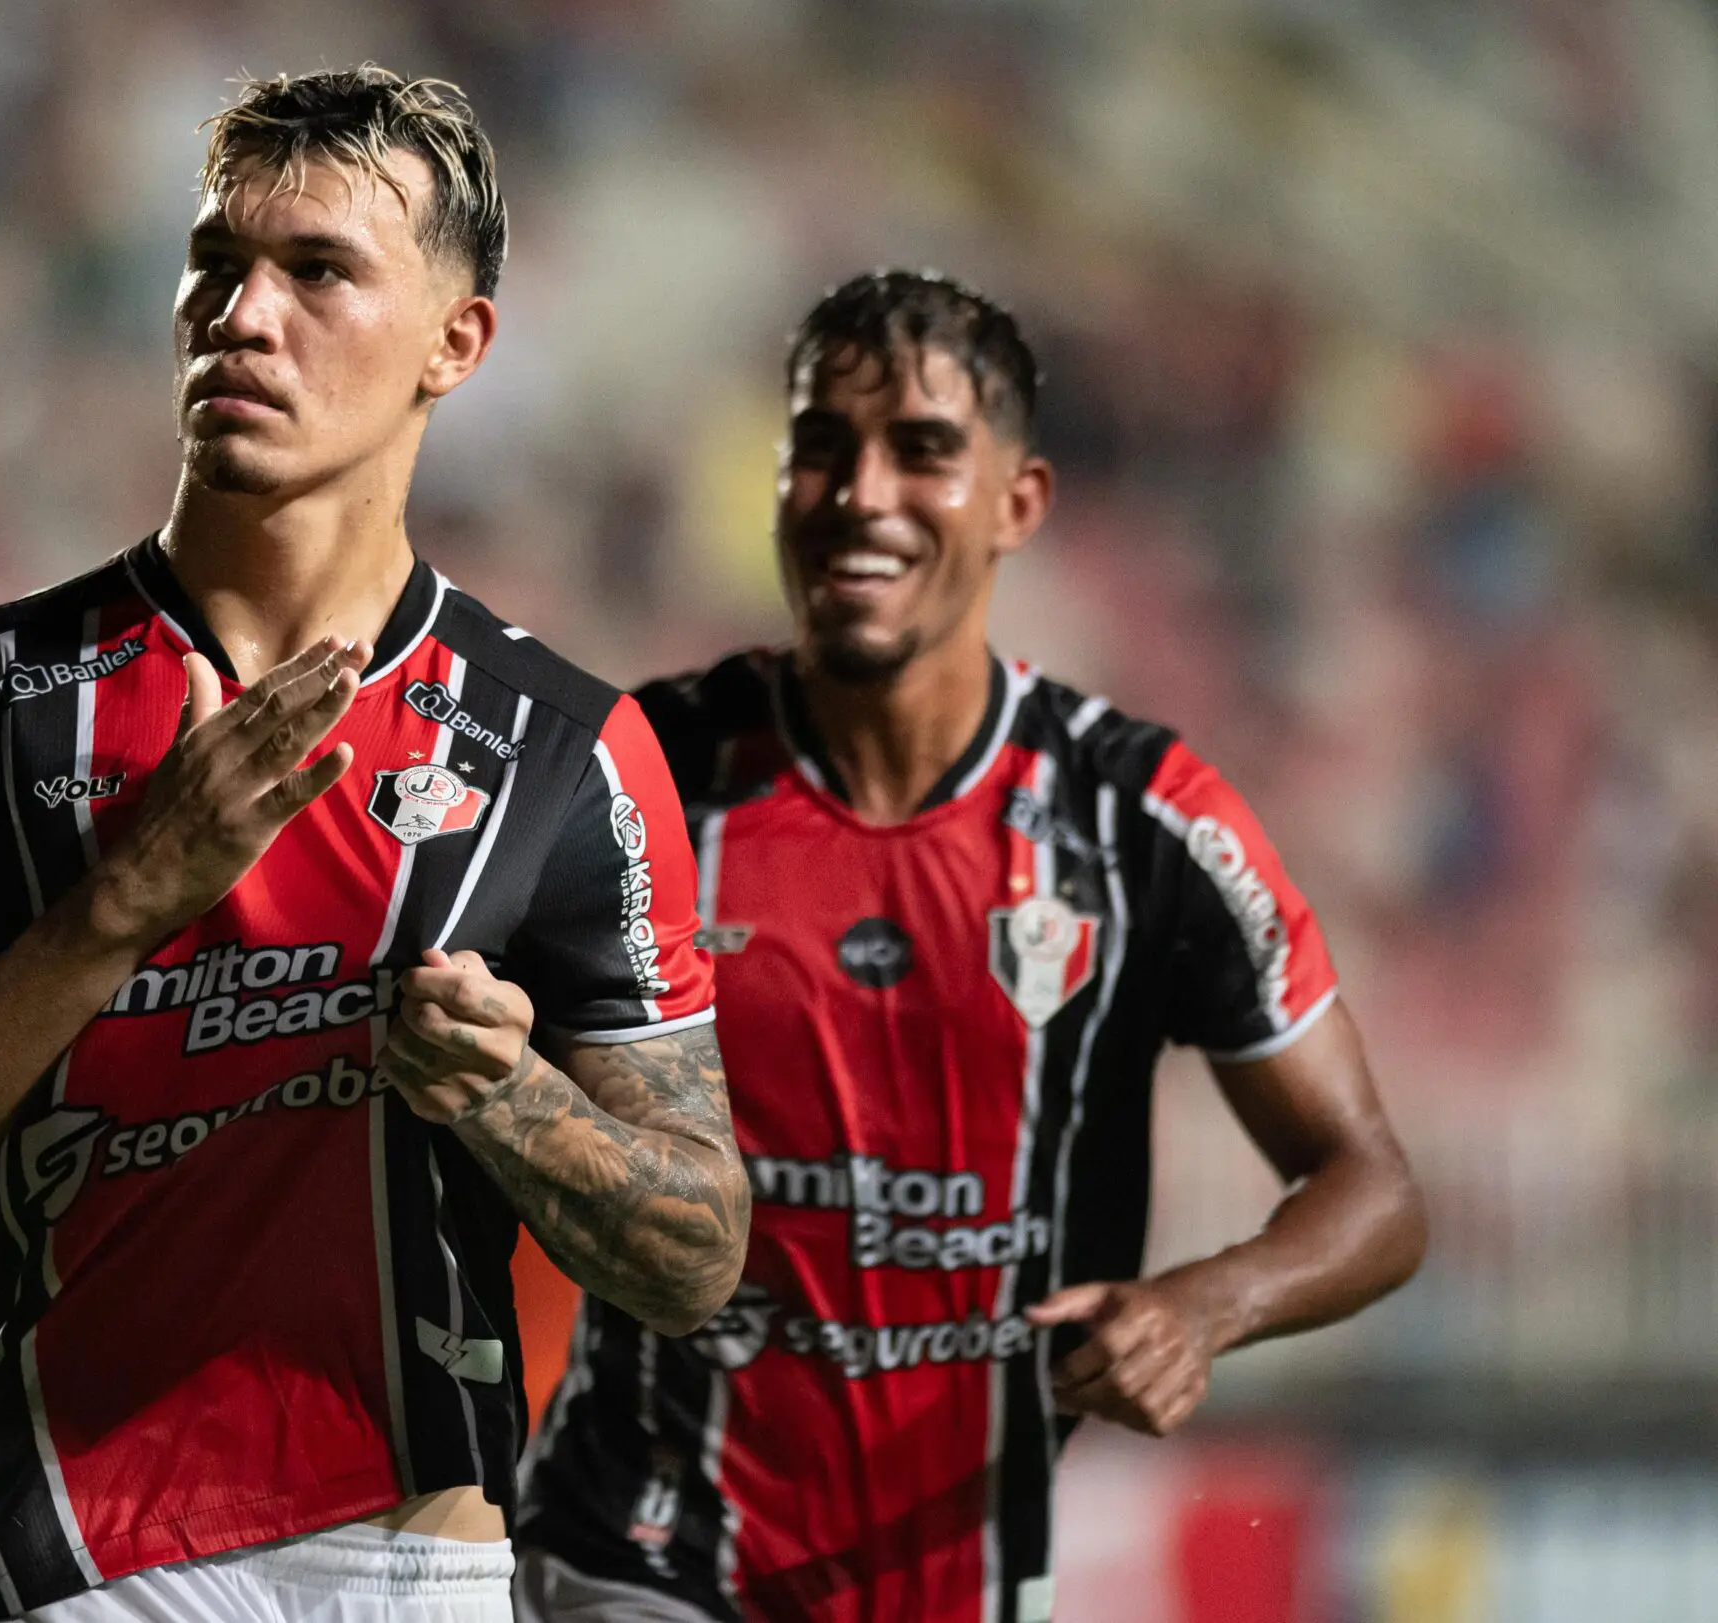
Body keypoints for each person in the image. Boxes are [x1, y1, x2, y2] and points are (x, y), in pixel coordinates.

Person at [0, 65, 750, 1623]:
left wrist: (513, 1096)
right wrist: (121, 904)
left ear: (457, 342)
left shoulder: (565, 751)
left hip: (414, 1561)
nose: (243, 309)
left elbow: (697, 1252)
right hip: (67, 1557)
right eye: (218, 259)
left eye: (318, 270)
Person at [513, 271, 1426, 1623]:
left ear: (1020, 503)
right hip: (641, 1550)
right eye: (821, 446)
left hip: (960, 1576)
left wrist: (1203, 1304)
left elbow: (1375, 1189)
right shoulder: (645, 779)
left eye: (923, 450)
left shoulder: (1145, 818)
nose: (862, 493)